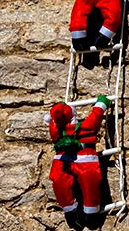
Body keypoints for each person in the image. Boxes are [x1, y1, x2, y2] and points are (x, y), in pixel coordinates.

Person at [46, 95, 112, 230]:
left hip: (85, 160)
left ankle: (91, 213)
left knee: (90, 180)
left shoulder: (86, 126)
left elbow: (97, 114)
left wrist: (102, 102)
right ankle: (71, 212)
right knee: (59, 181)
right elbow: (97, 112)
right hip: (63, 160)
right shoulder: (57, 129)